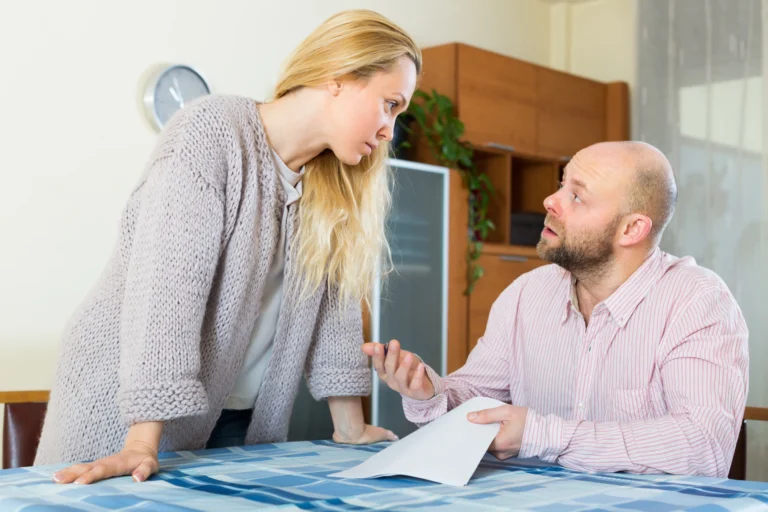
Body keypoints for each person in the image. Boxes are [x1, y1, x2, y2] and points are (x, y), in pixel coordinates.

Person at [37, 9, 420, 485]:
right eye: (390, 104)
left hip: (234, 414)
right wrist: (140, 442)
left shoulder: (329, 184)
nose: (389, 131)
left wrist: (351, 426)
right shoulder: (211, 133)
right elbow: (168, 288)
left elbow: (335, 309)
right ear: (339, 76)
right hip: (123, 413)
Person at [365, 141, 749, 478]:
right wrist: (433, 392)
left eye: (577, 196)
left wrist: (540, 433)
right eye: (561, 183)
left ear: (631, 229)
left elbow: (703, 448)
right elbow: (478, 398)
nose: (550, 201)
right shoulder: (527, 293)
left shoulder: (698, 301)